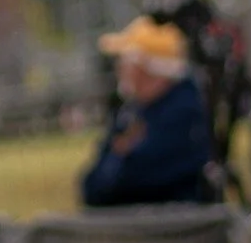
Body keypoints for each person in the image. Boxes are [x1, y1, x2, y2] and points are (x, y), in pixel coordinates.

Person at [81, 15, 214, 208]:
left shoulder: (183, 113)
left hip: (168, 229)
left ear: (148, 69)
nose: (120, 68)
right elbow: (92, 188)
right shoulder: (134, 112)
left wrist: (120, 155)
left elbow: (127, 180)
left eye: (126, 61)